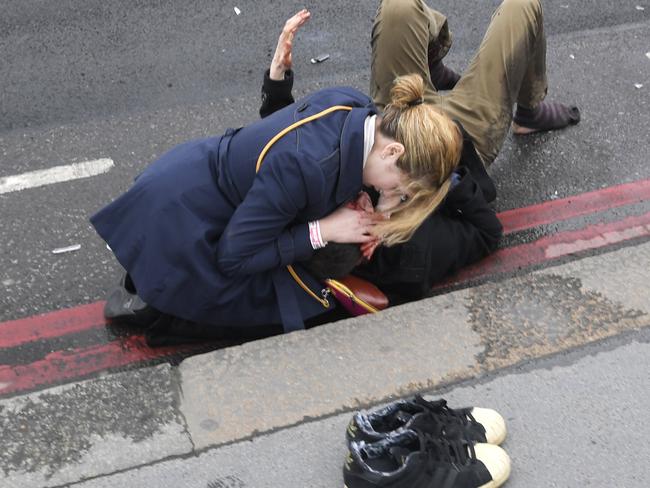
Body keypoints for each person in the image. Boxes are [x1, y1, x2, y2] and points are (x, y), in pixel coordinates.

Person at [91, 24, 464, 342]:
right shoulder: (305, 169)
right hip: (185, 223)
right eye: (400, 189)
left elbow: (282, 140)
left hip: (194, 181)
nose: (391, 197)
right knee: (291, 307)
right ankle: (156, 304)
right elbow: (234, 257)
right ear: (393, 151)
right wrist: (323, 229)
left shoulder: (355, 106)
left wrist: (277, 86)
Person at [260, 1, 580, 302]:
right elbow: (487, 232)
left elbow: (288, 148)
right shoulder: (413, 256)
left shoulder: (323, 211)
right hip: (456, 134)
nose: (359, 198)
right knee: (523, 8)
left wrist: (277, 82)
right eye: (362, 210)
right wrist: (440, 174)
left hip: (397, 113)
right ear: (370, 247)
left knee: (399, 9)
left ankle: (431, 69)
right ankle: (528, 110)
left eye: (348, 206)